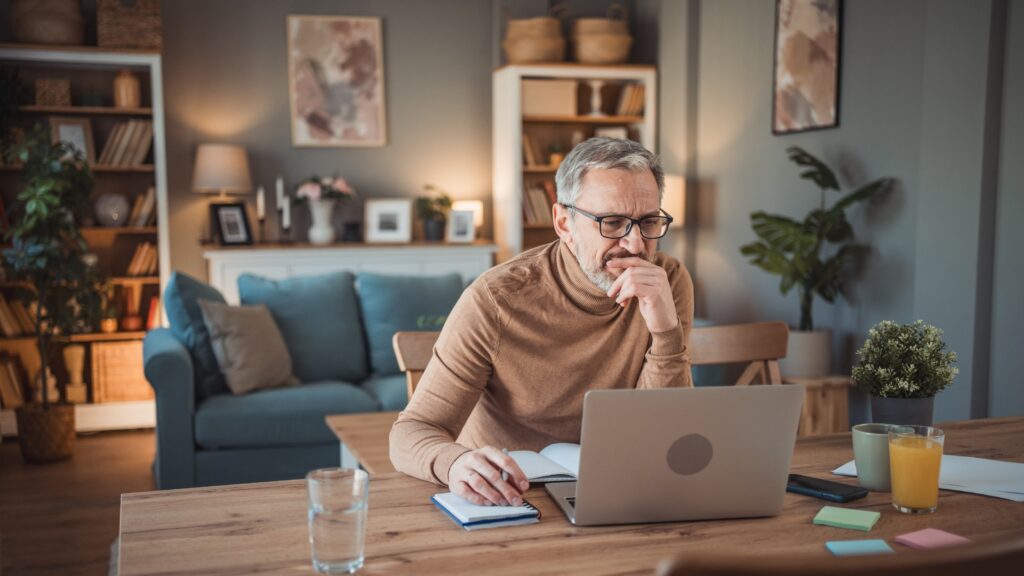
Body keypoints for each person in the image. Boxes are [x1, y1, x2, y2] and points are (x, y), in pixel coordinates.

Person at [390, 137, 694, 507]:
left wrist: (665, 332)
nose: (634, 244)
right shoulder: (495, 299)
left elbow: (665, 433)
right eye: (612, 223)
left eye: (648, 221)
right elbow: (412, 432)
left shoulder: (668, 282)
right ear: (563, 222)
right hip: (508, 497)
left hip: (619, 490)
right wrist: (455, 464)